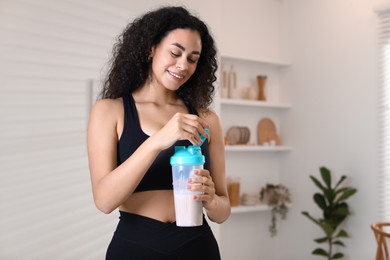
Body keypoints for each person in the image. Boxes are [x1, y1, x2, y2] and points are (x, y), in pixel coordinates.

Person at [87, 5, 230, 260]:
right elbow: (104, 201)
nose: (182, 65)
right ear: (151, 48)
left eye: (192, 59)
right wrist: (158, 140)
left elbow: (223, 210)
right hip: (135, 247)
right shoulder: (110, 111)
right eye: (175, 53)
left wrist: (210, 199)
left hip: (198, 247)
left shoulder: (207, 119)